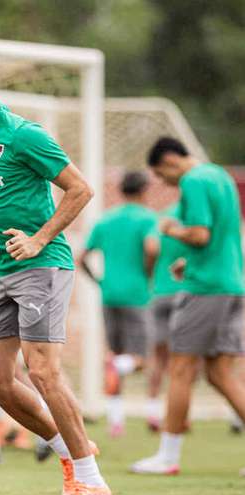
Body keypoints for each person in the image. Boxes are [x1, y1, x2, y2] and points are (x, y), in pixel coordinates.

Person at [0, 50, 112, 495]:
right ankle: (71, 451)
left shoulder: (25, 135)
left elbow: (81, 189)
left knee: (42, 371)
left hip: (42, 264)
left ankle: (90, 480)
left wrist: (38, 239)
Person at [131, 137, 245, 475]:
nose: (165, 183)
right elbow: (221, 235)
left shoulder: (193, 180)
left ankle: (167, 457)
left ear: (169, 160)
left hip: (206, 289)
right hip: (232, 283)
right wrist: (190, 263)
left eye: (161, 175)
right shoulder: (219, 175)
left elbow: (200, 235)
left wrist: (172, 230)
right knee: (221, 374)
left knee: (180, 370)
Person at [80, 171, 159, 437]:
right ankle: (120, 366)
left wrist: (100, 282)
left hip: (109, 294)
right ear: (144, 190)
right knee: (140, 359)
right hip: (137, 295)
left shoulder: (105, 219)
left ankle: (116, 422)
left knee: (115, 353)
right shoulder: (148, 218)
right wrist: (148, 274)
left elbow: (82, 257)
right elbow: (151, 249)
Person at [146, 201, 186, 432]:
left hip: (160, 291)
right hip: (186, 292)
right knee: (183, 361)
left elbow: (151, 247)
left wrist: (152, 273)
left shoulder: (163, 215)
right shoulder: (196, 218)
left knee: (159, 358)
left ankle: (152, 412)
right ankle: (180, 416)